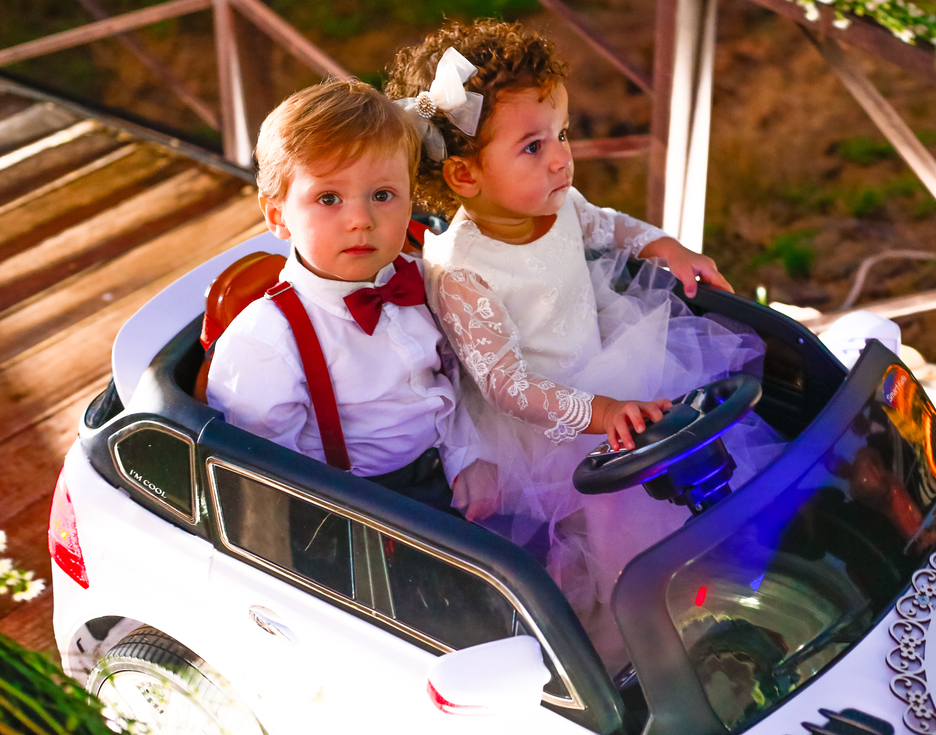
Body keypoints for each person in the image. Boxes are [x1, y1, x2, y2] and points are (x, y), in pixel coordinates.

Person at [386, 19, 786, 667]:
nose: (561, 158)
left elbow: (609, 226)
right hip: (548, 428)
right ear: (463, 175)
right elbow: (506, 385)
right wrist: (600, 413)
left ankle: (723, 606)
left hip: (611, 371)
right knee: (612, 547)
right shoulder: (462, 268)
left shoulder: (556, 202)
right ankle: (635, 659)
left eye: (563, 134)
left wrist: (662, 245)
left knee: (690, 490)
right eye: (533, 146)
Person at [206, 78, 479, 511]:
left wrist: (468, 457)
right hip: (361, 506)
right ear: (277, 215)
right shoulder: (266, 343)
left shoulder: (423, 279)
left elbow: (453, 379)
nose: (361, 219)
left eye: (383, 195)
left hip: (450, 462)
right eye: (329, 198)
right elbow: (268, 481)